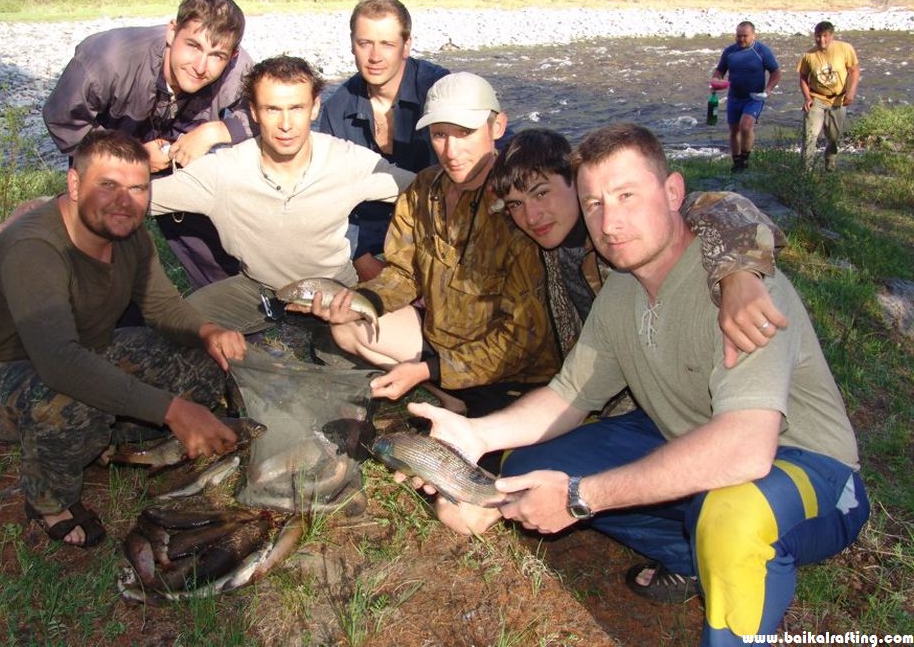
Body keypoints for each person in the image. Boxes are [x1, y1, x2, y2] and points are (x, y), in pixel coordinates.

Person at [408, 124, 868, 646]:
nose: (611, 221)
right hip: (685, 438)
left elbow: (745, 449)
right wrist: (477, 435)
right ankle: (692, 555)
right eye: (595, 203)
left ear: (673, 192)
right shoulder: (621, 293)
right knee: (525, 471)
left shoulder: (744, 288)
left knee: (732, 515)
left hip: (809, 468)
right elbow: (567, 396)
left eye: (627, 195)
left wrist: (580, 497)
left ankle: (723, 569)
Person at [0, 131, 248, 549]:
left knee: (200, 361)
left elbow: (161, 307)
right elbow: (60, 364)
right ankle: (51, 500)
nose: (124, 201)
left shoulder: (129, 233)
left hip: (84, 350)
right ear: (74, 184)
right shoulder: (34, 247)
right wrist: (171, 410)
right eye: (108, 185)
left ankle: (101, 435)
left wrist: (208, 331)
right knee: (73, 399)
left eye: (138, 188)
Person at [309, 73, 560, 417]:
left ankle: (466, 397)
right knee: (346, 328)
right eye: (440, 134)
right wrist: (362, 302)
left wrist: (429, 369)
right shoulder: (424, 188)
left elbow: (524, 338)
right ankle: (450, 397)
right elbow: (403, 273)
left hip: (507, 366)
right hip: (438, 338)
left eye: (465, 133)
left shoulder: (519, 205)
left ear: (498, 127)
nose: (451, 151)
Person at [147, 55, 415, 334]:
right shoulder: (222, 171)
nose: (286, 124)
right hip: (258, 288)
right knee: (179, 323)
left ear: (315, 107)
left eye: (296, 108)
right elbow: (134, 200)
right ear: (254, 112)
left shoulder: (347, 160)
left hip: (335, 287)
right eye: (272, 109)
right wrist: (137, 163)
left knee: (356, 343)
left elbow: (425, 189)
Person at [490, 128, 788, 370]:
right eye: (516, 204)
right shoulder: (538, 245)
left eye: (541, 193)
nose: (531, 217)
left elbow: (725, 207)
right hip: (596, 391)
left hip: (670, 389)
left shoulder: (621, 233)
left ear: (576, 184)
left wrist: (738, 275)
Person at [43, 0, 255, 289]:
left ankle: (223, 299)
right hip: (109, 140)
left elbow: (265, 115)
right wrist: (133, 157)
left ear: (231, 56)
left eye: (216, 56)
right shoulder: (107, 58)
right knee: (99, 231)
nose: (200, 66)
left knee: (206, 227)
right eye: (193, 46)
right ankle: (99, 300)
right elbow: (62, 118)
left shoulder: (239, 68)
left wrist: (214, 132)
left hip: (183, 141)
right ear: (172, 32)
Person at [318, 0, 450, 282]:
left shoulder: (439, 89)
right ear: (352, 44)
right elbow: (326, 195)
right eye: (365, 43)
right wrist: (360, 258)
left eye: (387, 44)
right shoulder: (337, 109)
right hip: (367, 246)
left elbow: (487, 147)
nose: (375, 56)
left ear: (406, 45)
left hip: (439, 235)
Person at [712, 21, 781, 173]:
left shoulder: (762, 51)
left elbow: (776, 72)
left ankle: (745, 159)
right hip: (734, 97)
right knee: (734, 130)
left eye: (745, 36)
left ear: (753, 36)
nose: (741, 39)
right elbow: (720, 70)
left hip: (754, 97)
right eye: (738, 36)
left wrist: (768, 90)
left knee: (746, 126)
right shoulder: (729, 51)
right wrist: (716, 80)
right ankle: (736, 163)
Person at [797, 21, 861, 171]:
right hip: (817, 98)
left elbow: (854, 70)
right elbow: (803, 77)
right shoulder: (809, 55)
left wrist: (851, 92)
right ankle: (805, 172)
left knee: (833, 137)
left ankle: (830, 160)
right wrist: (807, 98)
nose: (821, 40)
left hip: (838, 99)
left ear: (831, 36)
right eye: (818, 36)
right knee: (810, 136)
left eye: (825, 36)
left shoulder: (845, 49)